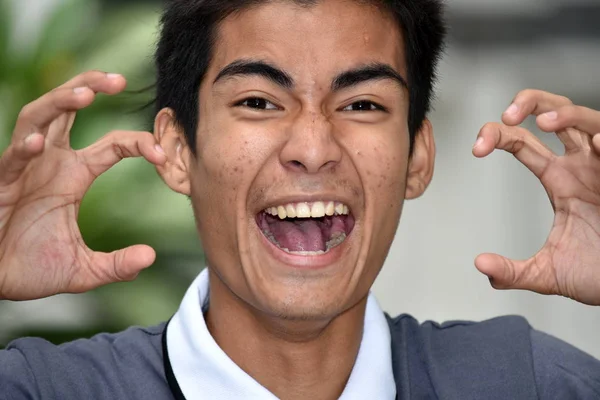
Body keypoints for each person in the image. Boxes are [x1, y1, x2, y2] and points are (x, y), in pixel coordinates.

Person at [1, 0, 600, 398]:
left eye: (362, 104)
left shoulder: (526, 383)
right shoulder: (47, 388)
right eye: (259, 101)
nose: (313, 148)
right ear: (179, 149)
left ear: (418, 156)